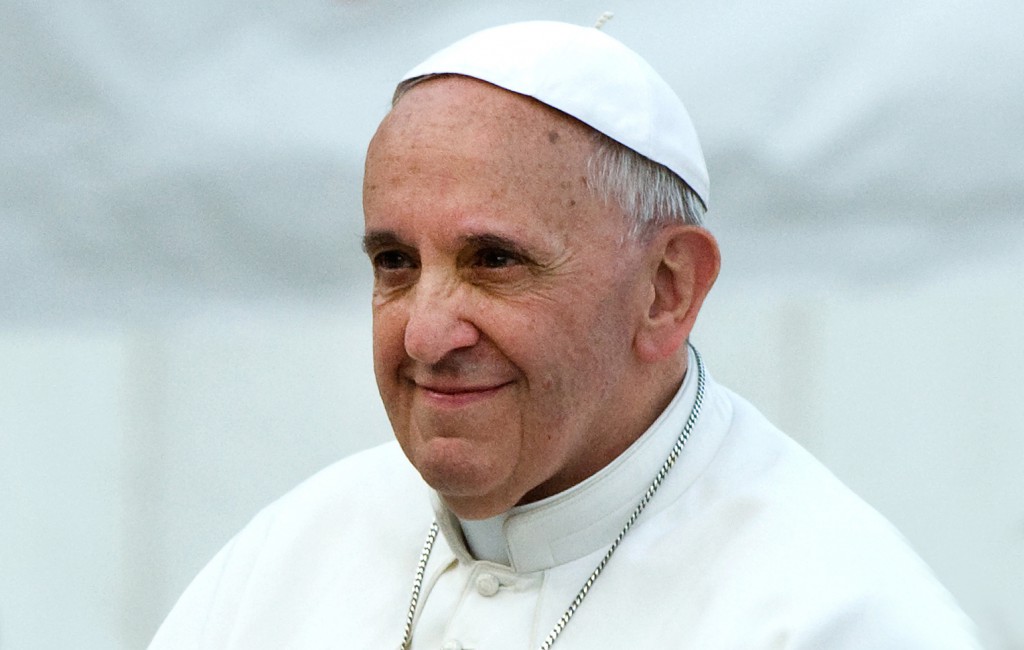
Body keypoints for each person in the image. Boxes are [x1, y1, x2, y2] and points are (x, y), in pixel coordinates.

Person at [149, 20, 982, 649]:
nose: (427, 334)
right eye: (396, 261)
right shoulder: (284, 560)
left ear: (666, 291)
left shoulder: (834, 614)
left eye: (495, 260)